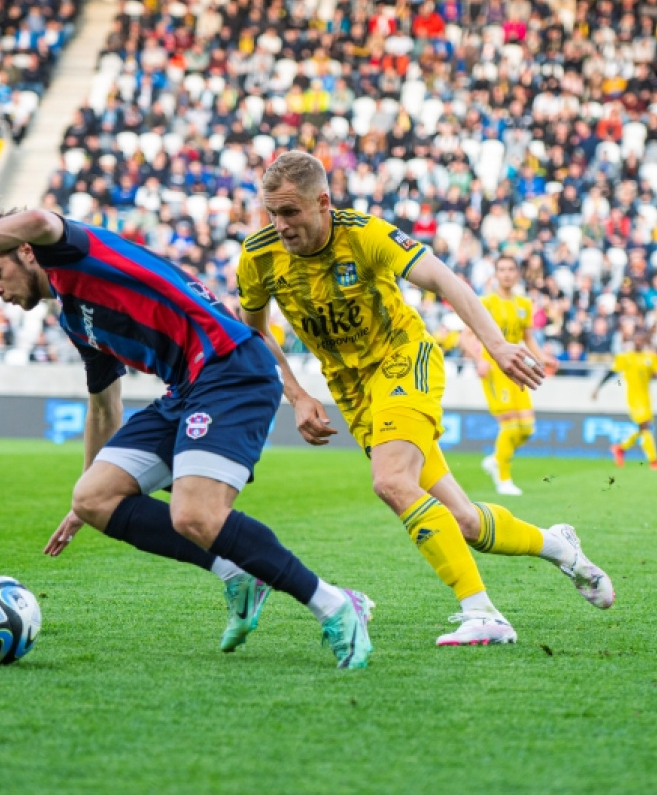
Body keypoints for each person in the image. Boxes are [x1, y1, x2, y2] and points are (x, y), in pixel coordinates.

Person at [0, 204, 374, 670]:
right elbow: (104, 404)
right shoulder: (73, 316)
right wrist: (87, 499)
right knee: (93, 496)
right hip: (188, 389)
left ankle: (334, 603)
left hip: (231, 367)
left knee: (196, 513)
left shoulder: (73, 251)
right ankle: (237, 572)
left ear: (26, 252)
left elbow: (36, 218)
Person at [236, 151, 614, 647]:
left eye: (290, 212)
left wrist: (496, 344)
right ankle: (560, 547)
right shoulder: (258, 255)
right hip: (355, 391)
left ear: (323, 202)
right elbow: (254, 329)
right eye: (272, 213)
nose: (280, 225)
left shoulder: (365, 234)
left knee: (391, 480)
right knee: (465, 522)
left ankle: (483, 613)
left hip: (404, 358)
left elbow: (443, 279)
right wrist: (297, 393)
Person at [461, 255, 559, 496]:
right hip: (495, 368)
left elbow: (527, 339)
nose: (506, 274)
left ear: (517, 274)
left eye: (510, 269)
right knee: (510, 425)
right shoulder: (485, 302)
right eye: (501, 269)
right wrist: (479, 359)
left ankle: (496, 458)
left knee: (526, 428)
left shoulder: (524, 304)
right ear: (495, 274)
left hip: (518, 367)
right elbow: (465, 336)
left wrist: (542, 357)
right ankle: (503, 478)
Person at [591, 329, 657, 469]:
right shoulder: (625, 357)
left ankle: (620, 448)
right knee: (645, 426)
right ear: (632, 341)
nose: (638, 341)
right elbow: (611, 373)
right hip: (633, 399)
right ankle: (653, 461)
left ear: (644, 341)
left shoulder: (651, 357)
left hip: (646, 399)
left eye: (641, 339)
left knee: (644, 428)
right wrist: (598, 388)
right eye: (636, 339)